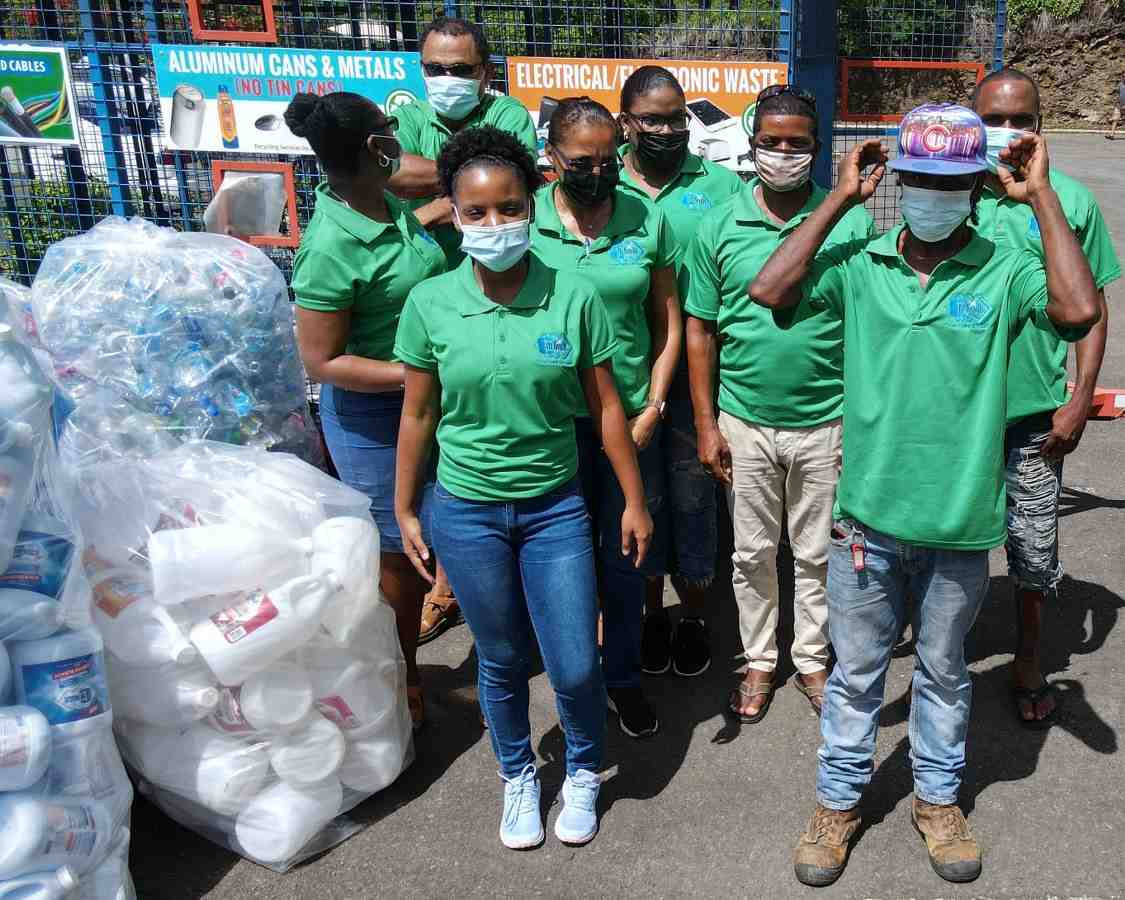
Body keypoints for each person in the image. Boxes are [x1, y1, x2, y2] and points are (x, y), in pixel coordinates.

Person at [749, 104, 1099, 886]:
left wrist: (1038, 197)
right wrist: (838, 198)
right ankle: (837, 803)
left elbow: (1077, 312)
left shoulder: (1003, 269)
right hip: (866, 521)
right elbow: (770, 292)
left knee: (943, 673)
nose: (932, 195)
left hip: (957, 525)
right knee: (855, 675)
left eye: (951, 183)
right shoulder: (859, 262)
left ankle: (936, 801)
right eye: (919, 180)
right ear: (897, 180)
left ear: (976, 185)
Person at [393, 125, 652, 849]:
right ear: (451, 211)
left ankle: (580, 769)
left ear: (531, 205)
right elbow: (417, 411)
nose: (494, 225)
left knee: (572, 662)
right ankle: (516, 775)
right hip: (466, 511)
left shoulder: (571, 296)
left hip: (554, 508)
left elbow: (606, 408)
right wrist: (406, 505)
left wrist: (632, 499)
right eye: (474, 213)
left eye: (508, 208)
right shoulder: (430, 303)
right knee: (501, 659)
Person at [684, 85, 876, 722]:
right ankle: (761, 659)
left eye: (798, 143)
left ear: (819, 150)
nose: (784, 153)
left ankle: (813, 658)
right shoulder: (718, 223)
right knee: (751, 552)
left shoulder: (851, 220)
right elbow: (700, 330)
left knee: (819, 552)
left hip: (826, 419)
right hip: (745, 418)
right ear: (752, 144)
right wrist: (707, 423)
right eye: (772, 142)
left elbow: (865, 329)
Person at [285, 92, 446, 731]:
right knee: (396, 560)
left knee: (433, 540)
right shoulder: (329, 245)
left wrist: (452, 212)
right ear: (379, 148)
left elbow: (407, 237)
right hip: (374, 419)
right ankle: (402, 680)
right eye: (391, 134)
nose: (401, 144)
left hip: (427, 405)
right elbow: (322, 362)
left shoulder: (386, 204)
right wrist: (422, 372)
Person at [531, 97, 683, 738]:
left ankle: (622, 677)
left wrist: (653, 405)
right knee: (561, 562)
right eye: (580, 162)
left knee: (625, 557)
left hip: (628, 424)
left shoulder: (644, 218)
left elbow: (668, 324)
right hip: (548, 427)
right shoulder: (524, 219)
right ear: (553, 160)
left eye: (606, 159)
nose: (597, 172)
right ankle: (575, 680)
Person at [972, 68, 1120, 728]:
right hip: (952, 412)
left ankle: (1028, 657)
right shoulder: (950, 190)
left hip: (1031, 409)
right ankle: (940, 647)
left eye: (1018, 118)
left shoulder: (1069, 203)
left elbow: (1091, 311)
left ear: (1039, 120)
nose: (1005, 132)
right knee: (936, 540)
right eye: (992, 119)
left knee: (1031, 545)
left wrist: (1079, 397)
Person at [391, 16, 536, 642]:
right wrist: (449, 191)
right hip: (432, 307)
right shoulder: (403, 117)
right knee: (435, 446)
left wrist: (434, 197)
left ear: (486, 72)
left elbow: (507, 174)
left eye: (461, 69)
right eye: (436, 69)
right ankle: (446, 585)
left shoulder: (512, 118)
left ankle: (512, 583)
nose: (447, 81)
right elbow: (388, 175)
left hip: (505, 299)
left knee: (500, 440)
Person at [616, 65, 743, 679]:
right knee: (641, 496)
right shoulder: (598, 182)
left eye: (675, 118)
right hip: (624, 381)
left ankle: (693, 613)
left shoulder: (721, 187)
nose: (666, 129)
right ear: (626, 124)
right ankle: (649, 612)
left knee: (694, 498)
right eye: (652, 119)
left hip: (699, 376)